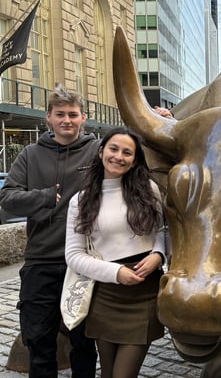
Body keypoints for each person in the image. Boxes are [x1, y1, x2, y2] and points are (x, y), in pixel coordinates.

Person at [0, 86, 98, 377]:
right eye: (60, 114)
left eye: (72, 114)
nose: (66, 120)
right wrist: (42, 197)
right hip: (41, 261)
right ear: (48, 118)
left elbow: (133, 154)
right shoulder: (30, 154)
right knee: (39, 341)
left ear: (83, 118)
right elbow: (6, 198)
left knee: (83, 342)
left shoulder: (97, 151)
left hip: (83, 263)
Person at [65, 126, 168, 378]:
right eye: (113, 149)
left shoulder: (149, 191)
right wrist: (116, 272)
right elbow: (74, 255)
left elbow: (163, 231)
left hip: (144, 289)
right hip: (105, 291)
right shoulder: (80, 200)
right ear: (101, 152)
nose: (118, 156)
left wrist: (158, 255)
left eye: (127, 152)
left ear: (134, 161)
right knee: (108, 373)